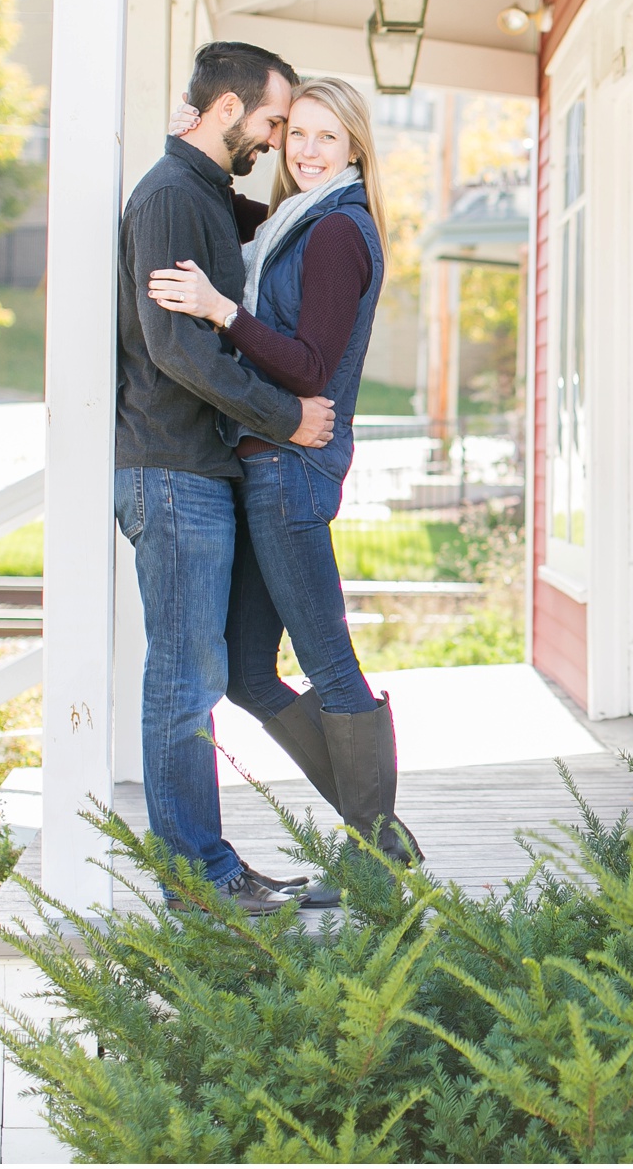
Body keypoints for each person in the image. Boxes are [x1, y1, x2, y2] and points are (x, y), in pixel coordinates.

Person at [151, 77, 423, 883]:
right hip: (263, 467)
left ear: (354, 150)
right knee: (244, 671)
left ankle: (373, 855)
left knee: (329, 663)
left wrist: (219, 310)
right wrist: (191, 144)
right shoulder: (290, 226)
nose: (305, 150)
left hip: (291, 471)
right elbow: (228, 211)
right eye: (295, 133)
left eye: (326, 138)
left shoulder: (339, 232)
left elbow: (308, 366)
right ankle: (377, 830)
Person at [115, 41, 335, 917]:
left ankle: (208, 871)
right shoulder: (172, 197)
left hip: (194, 472)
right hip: (171, 472)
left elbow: (272, 220)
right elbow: (175, 346)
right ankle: (199, 882)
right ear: (226, 112)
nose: (280, 140)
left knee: (195, 676)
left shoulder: (202, 192)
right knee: (185, 682)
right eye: (275, 122)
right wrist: (286, 417)